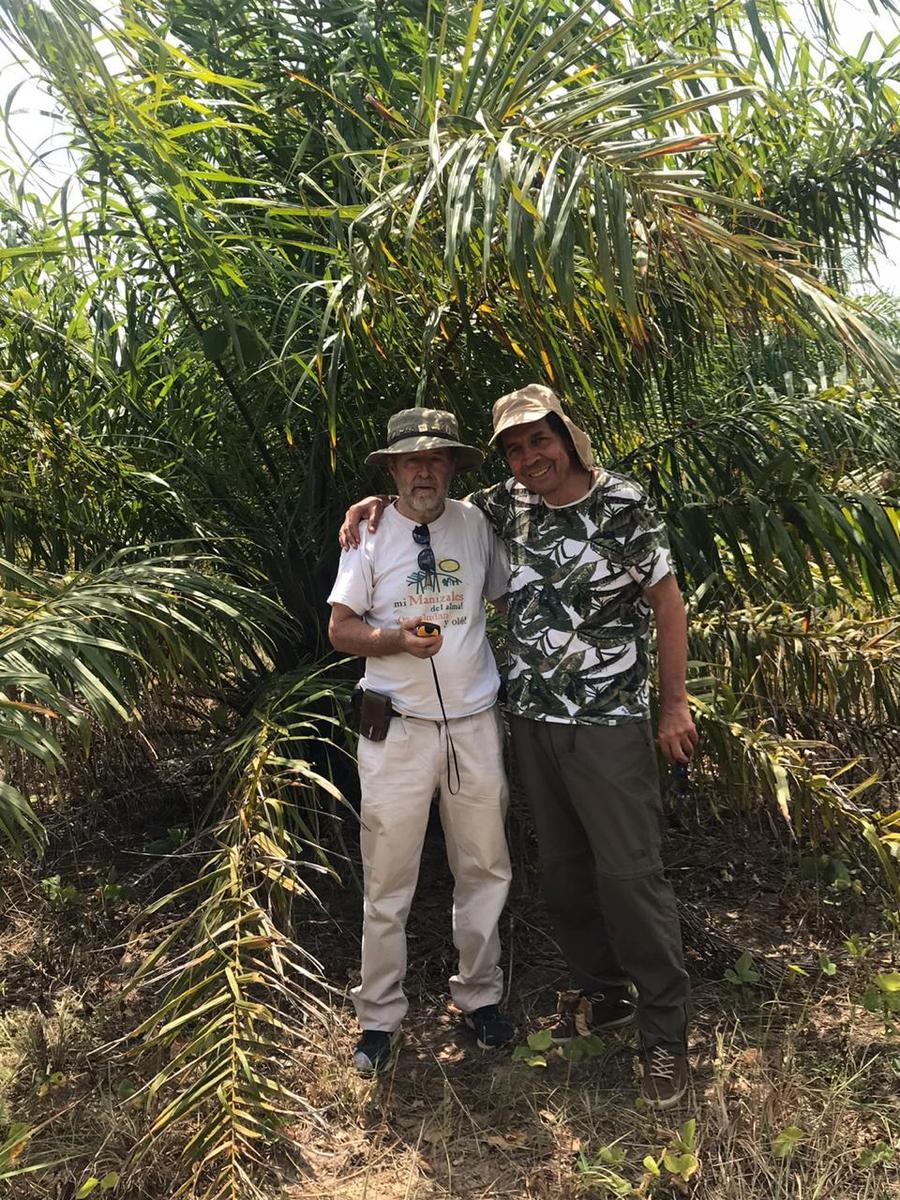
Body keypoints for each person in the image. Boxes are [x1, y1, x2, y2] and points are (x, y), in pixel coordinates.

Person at [340, 385, 698, 1107]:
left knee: (603, 875)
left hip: (582, 721)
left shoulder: (588, 507)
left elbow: (662, 602)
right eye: (514, 446)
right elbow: (373, 586)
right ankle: (594, 997)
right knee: (549, 873)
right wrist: (368, 519)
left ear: (567, 436)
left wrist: (674, 702)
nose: (530, 455)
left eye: (540, 439)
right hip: (516, 722)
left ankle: (641, 1031)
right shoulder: (480, 512)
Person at [328, 407, 514, 1075]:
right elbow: (340, 629)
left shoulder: (475, 522)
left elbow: (499, 596)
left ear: (453, 467)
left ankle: (481, 998)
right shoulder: (370, 533)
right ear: (394, 470)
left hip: (473, 725)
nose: (425, 469)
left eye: (437, 459)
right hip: (397, 731)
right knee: (387, 878)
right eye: (412, 460)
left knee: (485, 868)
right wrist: (393, 641)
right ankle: (378, 1018)